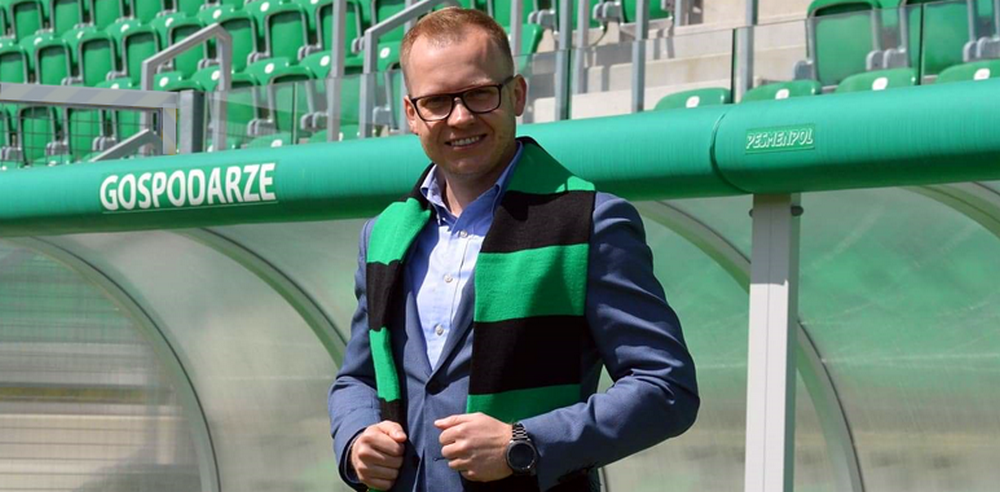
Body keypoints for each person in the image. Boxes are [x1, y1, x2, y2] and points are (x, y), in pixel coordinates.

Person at [328, 8, 699, 492]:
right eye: (436, 101)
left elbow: (665, 387)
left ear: (517, 94)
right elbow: (357, 379)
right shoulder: (384, 233)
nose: (460, 117)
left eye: (480, 93)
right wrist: (357, 438)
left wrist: (524, 443)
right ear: (412, 114)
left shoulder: (590, 221)